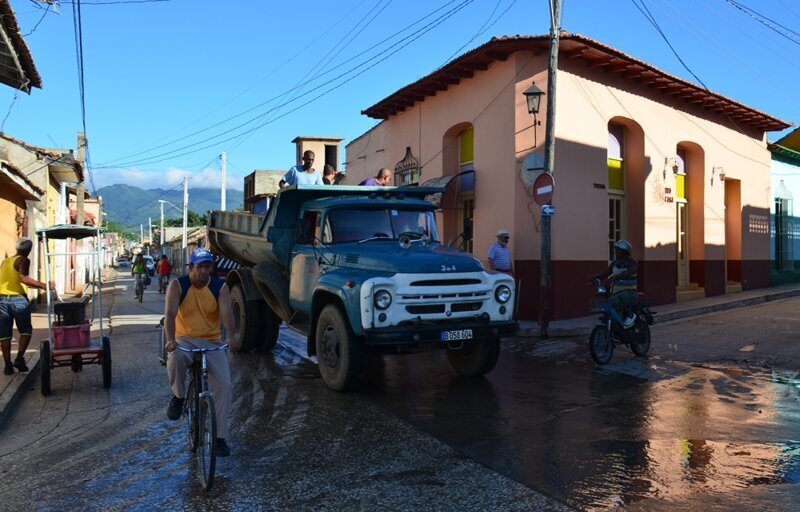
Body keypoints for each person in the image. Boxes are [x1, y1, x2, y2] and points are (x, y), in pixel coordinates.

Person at [164, 248, 235, 457]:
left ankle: (220, 438)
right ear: (191, 267)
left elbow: (227, 313)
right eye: (200, 266)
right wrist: (170, 340)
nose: (204, 271)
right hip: (184, 339)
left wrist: (232, 336)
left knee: (224, 384)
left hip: (212, 340)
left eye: (208, 266)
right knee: (175, 358)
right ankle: (178, 396)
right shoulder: (178, 285)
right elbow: (169, 314)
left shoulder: (219, 287)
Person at [0, 238, 56, 375]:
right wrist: (45, 286)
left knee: (5, 334)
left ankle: (7, 365)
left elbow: (20, 282)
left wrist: (38, 285)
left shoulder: (5, 262)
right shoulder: (24, 260)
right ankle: (19, 358)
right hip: (18, 300)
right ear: (29, 250)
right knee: (25, 330)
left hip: (2, 299)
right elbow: (23, 278)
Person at [591, 239, 638, 328]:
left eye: (618, 250)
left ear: (625, 251)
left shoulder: (632, 263)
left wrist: (616, 277)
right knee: (602, 303)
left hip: (629, 292)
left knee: (611, 303)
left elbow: (631, 271)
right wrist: (596, 277)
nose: (616, 252)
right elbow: (605, 274)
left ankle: (630, 315)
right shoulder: (614, 264)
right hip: (615, 292)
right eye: (615, 250)